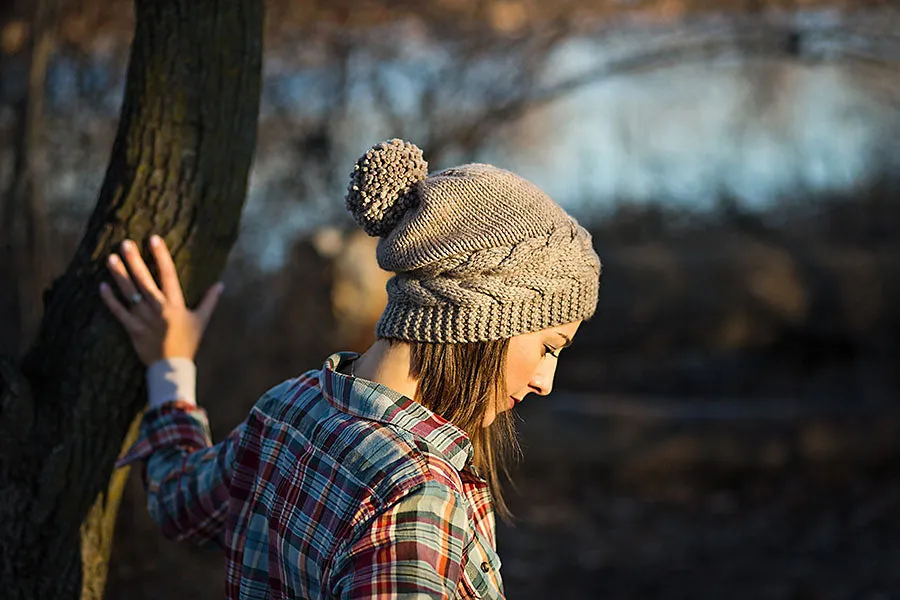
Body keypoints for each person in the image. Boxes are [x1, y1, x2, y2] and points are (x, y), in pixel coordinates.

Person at [102, 139, 601, 599]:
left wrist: (170, 367)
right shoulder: (415, 496)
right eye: (548, 347)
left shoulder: (287, 410)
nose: (545, 381)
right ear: (482, 316)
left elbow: (180, 503)